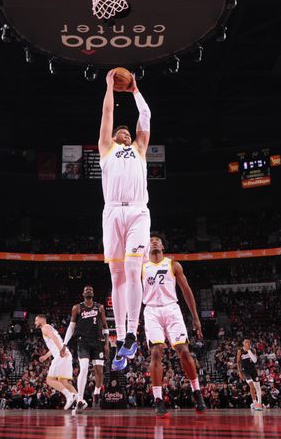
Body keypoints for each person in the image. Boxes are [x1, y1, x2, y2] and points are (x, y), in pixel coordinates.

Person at [97, 68, 152, 371]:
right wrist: (108, 86)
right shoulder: (107, 149)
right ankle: (120, 339)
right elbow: (107, 112)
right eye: (122, 132)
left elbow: (146, 116)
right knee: (116, 278)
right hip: (112, 212)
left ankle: (133, 331)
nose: (126, 134)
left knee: (133, 268)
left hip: (137, 212)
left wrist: (134, 92)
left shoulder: (140, 150)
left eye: (129, 133)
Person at [142, 235, 206, 417]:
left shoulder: (173, 265)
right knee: (155, 352)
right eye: (151, 240)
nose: (153, 241)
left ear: (162, 245)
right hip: (151, 310)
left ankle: (197, 393)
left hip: (172, 308)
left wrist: (195, 318)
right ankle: (158, 399)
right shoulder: (141, 267)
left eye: (157, 239)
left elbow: (186, 291)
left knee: (184, 351)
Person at [62, 285, 109, 413]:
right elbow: (71, 327)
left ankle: (97, 392)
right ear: (83, 294)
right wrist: (64, 344)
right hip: (83, 342)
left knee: (99, 370)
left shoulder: (99, 307)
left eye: (91, 290)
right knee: (83, 369)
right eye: (86, 290)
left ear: (93, 294)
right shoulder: (77, 308)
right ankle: (80, 400)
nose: (88, 291)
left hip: (98, 341)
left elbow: (105, 325)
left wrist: (106, 343)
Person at [34, 314, 78, 410]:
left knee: (49, 380)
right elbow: (54, 342)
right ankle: (79, 401)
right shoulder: (49, 327)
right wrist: (45, 356)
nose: (35, 323)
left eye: (36, 320)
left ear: (41, 320)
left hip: (61, 355)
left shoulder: (45, 327)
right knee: (64, 382)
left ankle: (69, 396)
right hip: (66, 354)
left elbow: (54, 338)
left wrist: (61, 351)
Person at [236, 339, 263, 411]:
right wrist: (239, 372)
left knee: (258, 388)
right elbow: (238, 362)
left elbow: (255, 360)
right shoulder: (240, 351)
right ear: (243, 343)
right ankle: (255, 403)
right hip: (245, 371)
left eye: (248, 342)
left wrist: (249, 351)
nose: (247, 343)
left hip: (253, 370)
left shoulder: (252, 350)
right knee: (251, 385)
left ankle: (259, 403)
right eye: (246, 342)